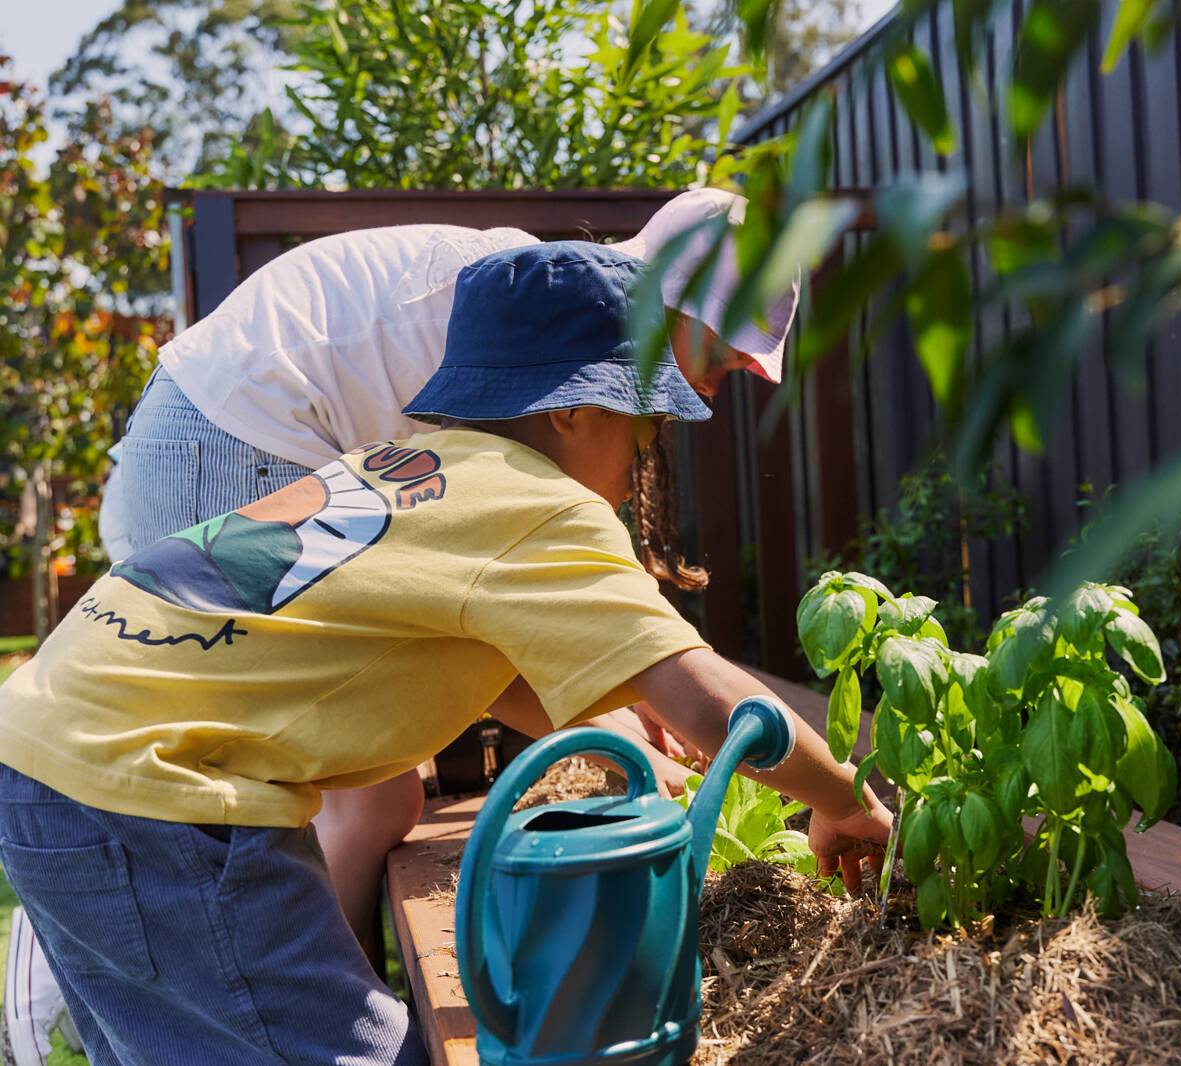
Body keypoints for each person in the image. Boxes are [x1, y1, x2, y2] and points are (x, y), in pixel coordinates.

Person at [0, 242, 891, 1066]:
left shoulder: (404, 466)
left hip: (46, 743)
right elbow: (715, 700)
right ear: (576, 410)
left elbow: (494, 676)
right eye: (645, 427)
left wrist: (617, 709)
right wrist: (843, 801)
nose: (647, 457)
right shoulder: (545, 507)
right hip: (155, 796)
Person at [91, 186, 798, 964]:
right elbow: (468, 599)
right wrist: (616, 715)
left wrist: (622, 695)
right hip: (229, 440)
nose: (714, 387)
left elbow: (495, 599)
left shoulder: (550, 305)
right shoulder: (528, 318)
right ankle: (323, 1008)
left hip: (223, 436)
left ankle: (339, 998)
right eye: (722, 357)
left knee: (374, 793)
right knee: (363, 798)